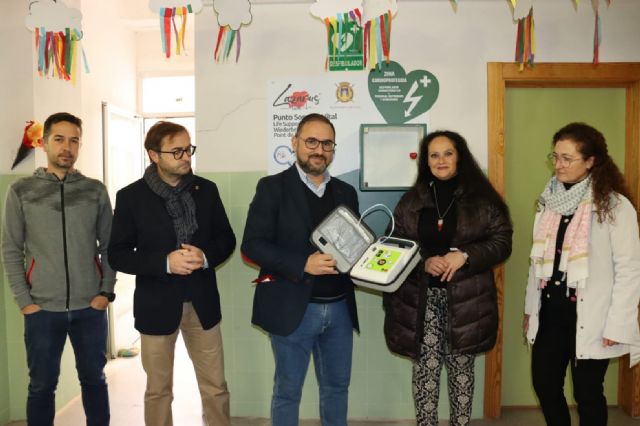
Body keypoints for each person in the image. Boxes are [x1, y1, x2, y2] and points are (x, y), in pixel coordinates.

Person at [107, 121, 235, 426]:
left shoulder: (206, 190)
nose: (185, 157)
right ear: (154, 155)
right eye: (176, 151)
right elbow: (117, 254)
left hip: (202, 303)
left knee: (215, 387)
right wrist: (165, 262)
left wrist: (205, 256)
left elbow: (226, 238)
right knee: (158, 391)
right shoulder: (131, 197)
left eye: (188, 149)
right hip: (156, 305)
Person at [383, 130, 512, 426]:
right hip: (422, 299)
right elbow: (394, 245)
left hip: (467, 300)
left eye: (448, 153)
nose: (441, 160)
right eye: (434, 155)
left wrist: (464, 255)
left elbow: (502, 242)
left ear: (459, 157)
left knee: (461, 371)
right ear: (426, 161)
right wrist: (423, 262)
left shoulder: (483, 199)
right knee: (425, 371)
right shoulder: (411, 201)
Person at [241, 113, 359, 426]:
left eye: (327, 144)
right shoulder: (272, 188)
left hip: (340, 310)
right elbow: (252, 245)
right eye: (311, 142)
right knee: (287, 392)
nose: (319, 150)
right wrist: (303, 263)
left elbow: (353, 248)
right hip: (293, 308)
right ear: (295, 143)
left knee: (337, 389)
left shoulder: (346, 192)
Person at [1, 112, 115, 426]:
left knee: (94, 381)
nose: (67, 147)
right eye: (59, 139)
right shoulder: (22, 191)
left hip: (90, 307)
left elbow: (109, 246)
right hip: (41, 310)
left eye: (74, 140)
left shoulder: (94, 191)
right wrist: (25, 301)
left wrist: (105, 292)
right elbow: (11, 249)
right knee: (41, 386)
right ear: (44, 143)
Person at [523, 122, 640, 426]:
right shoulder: (549, 202)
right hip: (551, 313)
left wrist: (619, 322)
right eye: (555, 156)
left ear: (590, 161)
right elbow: (537, 263)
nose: (558, 165)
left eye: (567, 158)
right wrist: (530, 309)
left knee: (587, 392)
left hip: (593, 316)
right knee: (545, 384)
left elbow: (629, 270)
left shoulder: (615, 206)